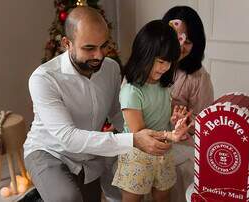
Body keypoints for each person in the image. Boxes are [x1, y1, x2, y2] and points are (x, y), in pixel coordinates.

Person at [23, 7, 171, 202]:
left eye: (104, 46)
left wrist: (150, 136)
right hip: (50, 151)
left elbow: (118, 113)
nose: (99, 55)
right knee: (67, 198)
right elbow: (67, 137)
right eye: (89, 48)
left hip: (89, 155)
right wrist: (134, 140)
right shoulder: (44, 78)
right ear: (67, 43)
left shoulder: (110, 68)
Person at [112, 20, 190, 202]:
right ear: (143, 55)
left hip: (163, 152)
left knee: (163, 196)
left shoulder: (163, 86)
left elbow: (163, 117)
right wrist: (170, 136)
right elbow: (139, 134)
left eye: (169, 62)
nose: (164, 67)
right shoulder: (132, 91)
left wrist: (175, 121)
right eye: (160, 61)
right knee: (133, 198)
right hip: (136, 155)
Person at [162, 6, 214, 202]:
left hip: (181, 141)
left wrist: (184, 122)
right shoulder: (153, 67)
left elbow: (203, 125)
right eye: (177, 40)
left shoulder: (199, 78)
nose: (180, 46)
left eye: (188, 41)